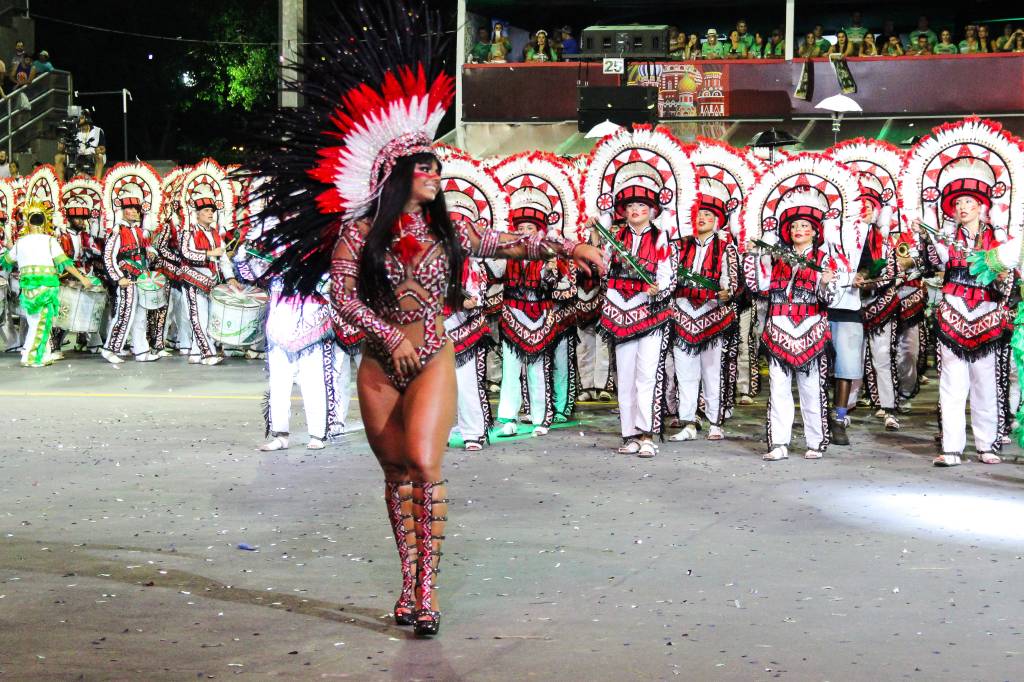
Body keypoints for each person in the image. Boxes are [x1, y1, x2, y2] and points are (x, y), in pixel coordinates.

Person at [248, 0, 606, 639]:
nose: (438, 175)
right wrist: (387, 338)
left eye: (438, 167)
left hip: (433, 355)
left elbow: (510, 241)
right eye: (426, 167)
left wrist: (569, 245)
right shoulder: (358, 233)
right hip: (381, 366)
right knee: (395, 474)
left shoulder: (454, 228)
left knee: (424, 461)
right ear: (395, 175)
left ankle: (427, 590)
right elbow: (343, 301)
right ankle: (408, 580)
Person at [903, 119, 1024, 466]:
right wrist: (924, 240)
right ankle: (952, 447)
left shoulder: (998, 239)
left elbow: (1007, 280)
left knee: (986, 383)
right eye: (958, 203)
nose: (963, 207)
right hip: (953, 313)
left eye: (969, 202)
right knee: (952, 384)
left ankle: (987, 445)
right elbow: (927, 267)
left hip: (987, 315)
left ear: (982, 205)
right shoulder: (943, 237)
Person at [742, 155, 867, 461]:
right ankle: (779, 443)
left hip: (812, 328)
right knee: (779, 389)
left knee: (812, 388)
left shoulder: (826, 259)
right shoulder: (777, 256)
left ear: (815, 231)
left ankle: (815, 441)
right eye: (794, 226)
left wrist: (826, 281)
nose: (799, 229)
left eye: (804, 226)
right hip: (779, 328)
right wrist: (753, 255)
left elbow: (830, 298)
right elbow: (759, 286)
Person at [582, 126, 685, 458]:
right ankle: (629, 434)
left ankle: (648, 434)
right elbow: (603, 269)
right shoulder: (616, 238)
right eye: (631, 206)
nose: (636, 209)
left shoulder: (662, 238)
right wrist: (596, 241)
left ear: (653, 210)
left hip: (651, 312)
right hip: (618, 310)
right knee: (624, 375)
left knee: (647, 374)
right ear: (622, 211)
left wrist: (660, 289)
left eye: (643, 205)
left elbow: (670, 274)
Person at [669, 176, 739, 442]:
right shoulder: (678, 246)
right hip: (683, 315)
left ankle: (714, 422)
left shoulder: (726, 248)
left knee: (712, 372)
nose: (701, 218)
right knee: (685, 374)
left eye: (707, 214)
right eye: (698, 213)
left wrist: (727, 293)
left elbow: (732, 283)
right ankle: (688, 422)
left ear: (717, 220)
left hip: (713, 317)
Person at [1, 200, 96, 366]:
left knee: (34, 323)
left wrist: (10, 246)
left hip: (28, 290)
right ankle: (32, 358)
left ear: (28, 222)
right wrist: (83, 278)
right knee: (42, 325)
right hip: (46, 289)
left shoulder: (20, 242)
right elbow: (65, 263)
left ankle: (38, 354)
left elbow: (7, 261)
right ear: (45, 221)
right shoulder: (49, 241)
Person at [100, 165, 164, 364]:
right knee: (124, 314)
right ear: (123, 211)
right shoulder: (117, 231)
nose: (134, 212)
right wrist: (119, 278)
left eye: (136, 209)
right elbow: (109, 257)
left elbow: (146, 249)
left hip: (141, 279)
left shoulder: (139, 231)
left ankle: (141, 350)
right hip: (127, 279)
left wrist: (152, 254)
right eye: (130, 208)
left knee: (140, 316)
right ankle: (110, 349)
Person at [178, 170, 239, 366]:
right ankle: (207, 353)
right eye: (206, 210)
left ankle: (196, 353)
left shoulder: (215, 233)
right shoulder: (188, 231)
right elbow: (185, 254)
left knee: (206, 319)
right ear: (196, 213)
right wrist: (208, 254)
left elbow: (222, 259)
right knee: (197, 317)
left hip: (210, 281)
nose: (210, 213)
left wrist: (230, 278)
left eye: (212, 210)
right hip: (193, 281)